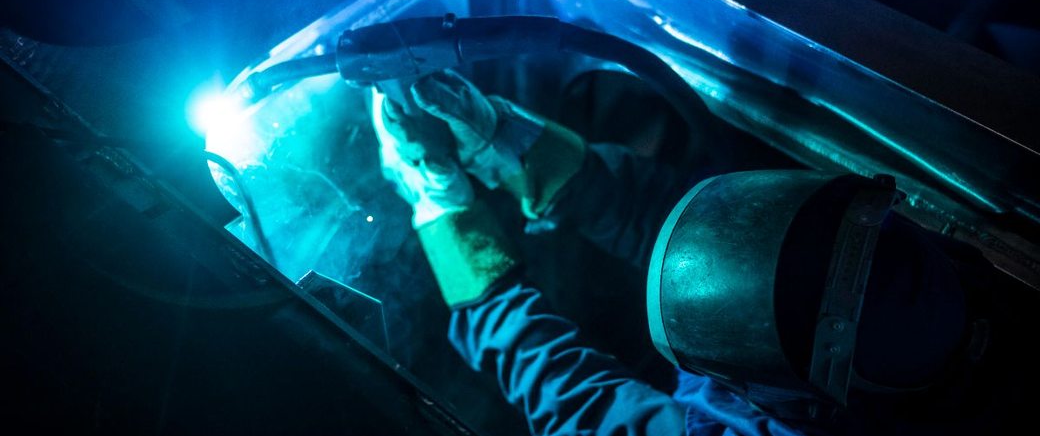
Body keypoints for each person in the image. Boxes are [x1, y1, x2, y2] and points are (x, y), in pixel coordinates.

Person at [371, 70, 1033, 436]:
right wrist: (506, 142)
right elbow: (727, 239)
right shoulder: (949, 281)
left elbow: (577, 400)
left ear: (789, 396)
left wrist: (448, 221)